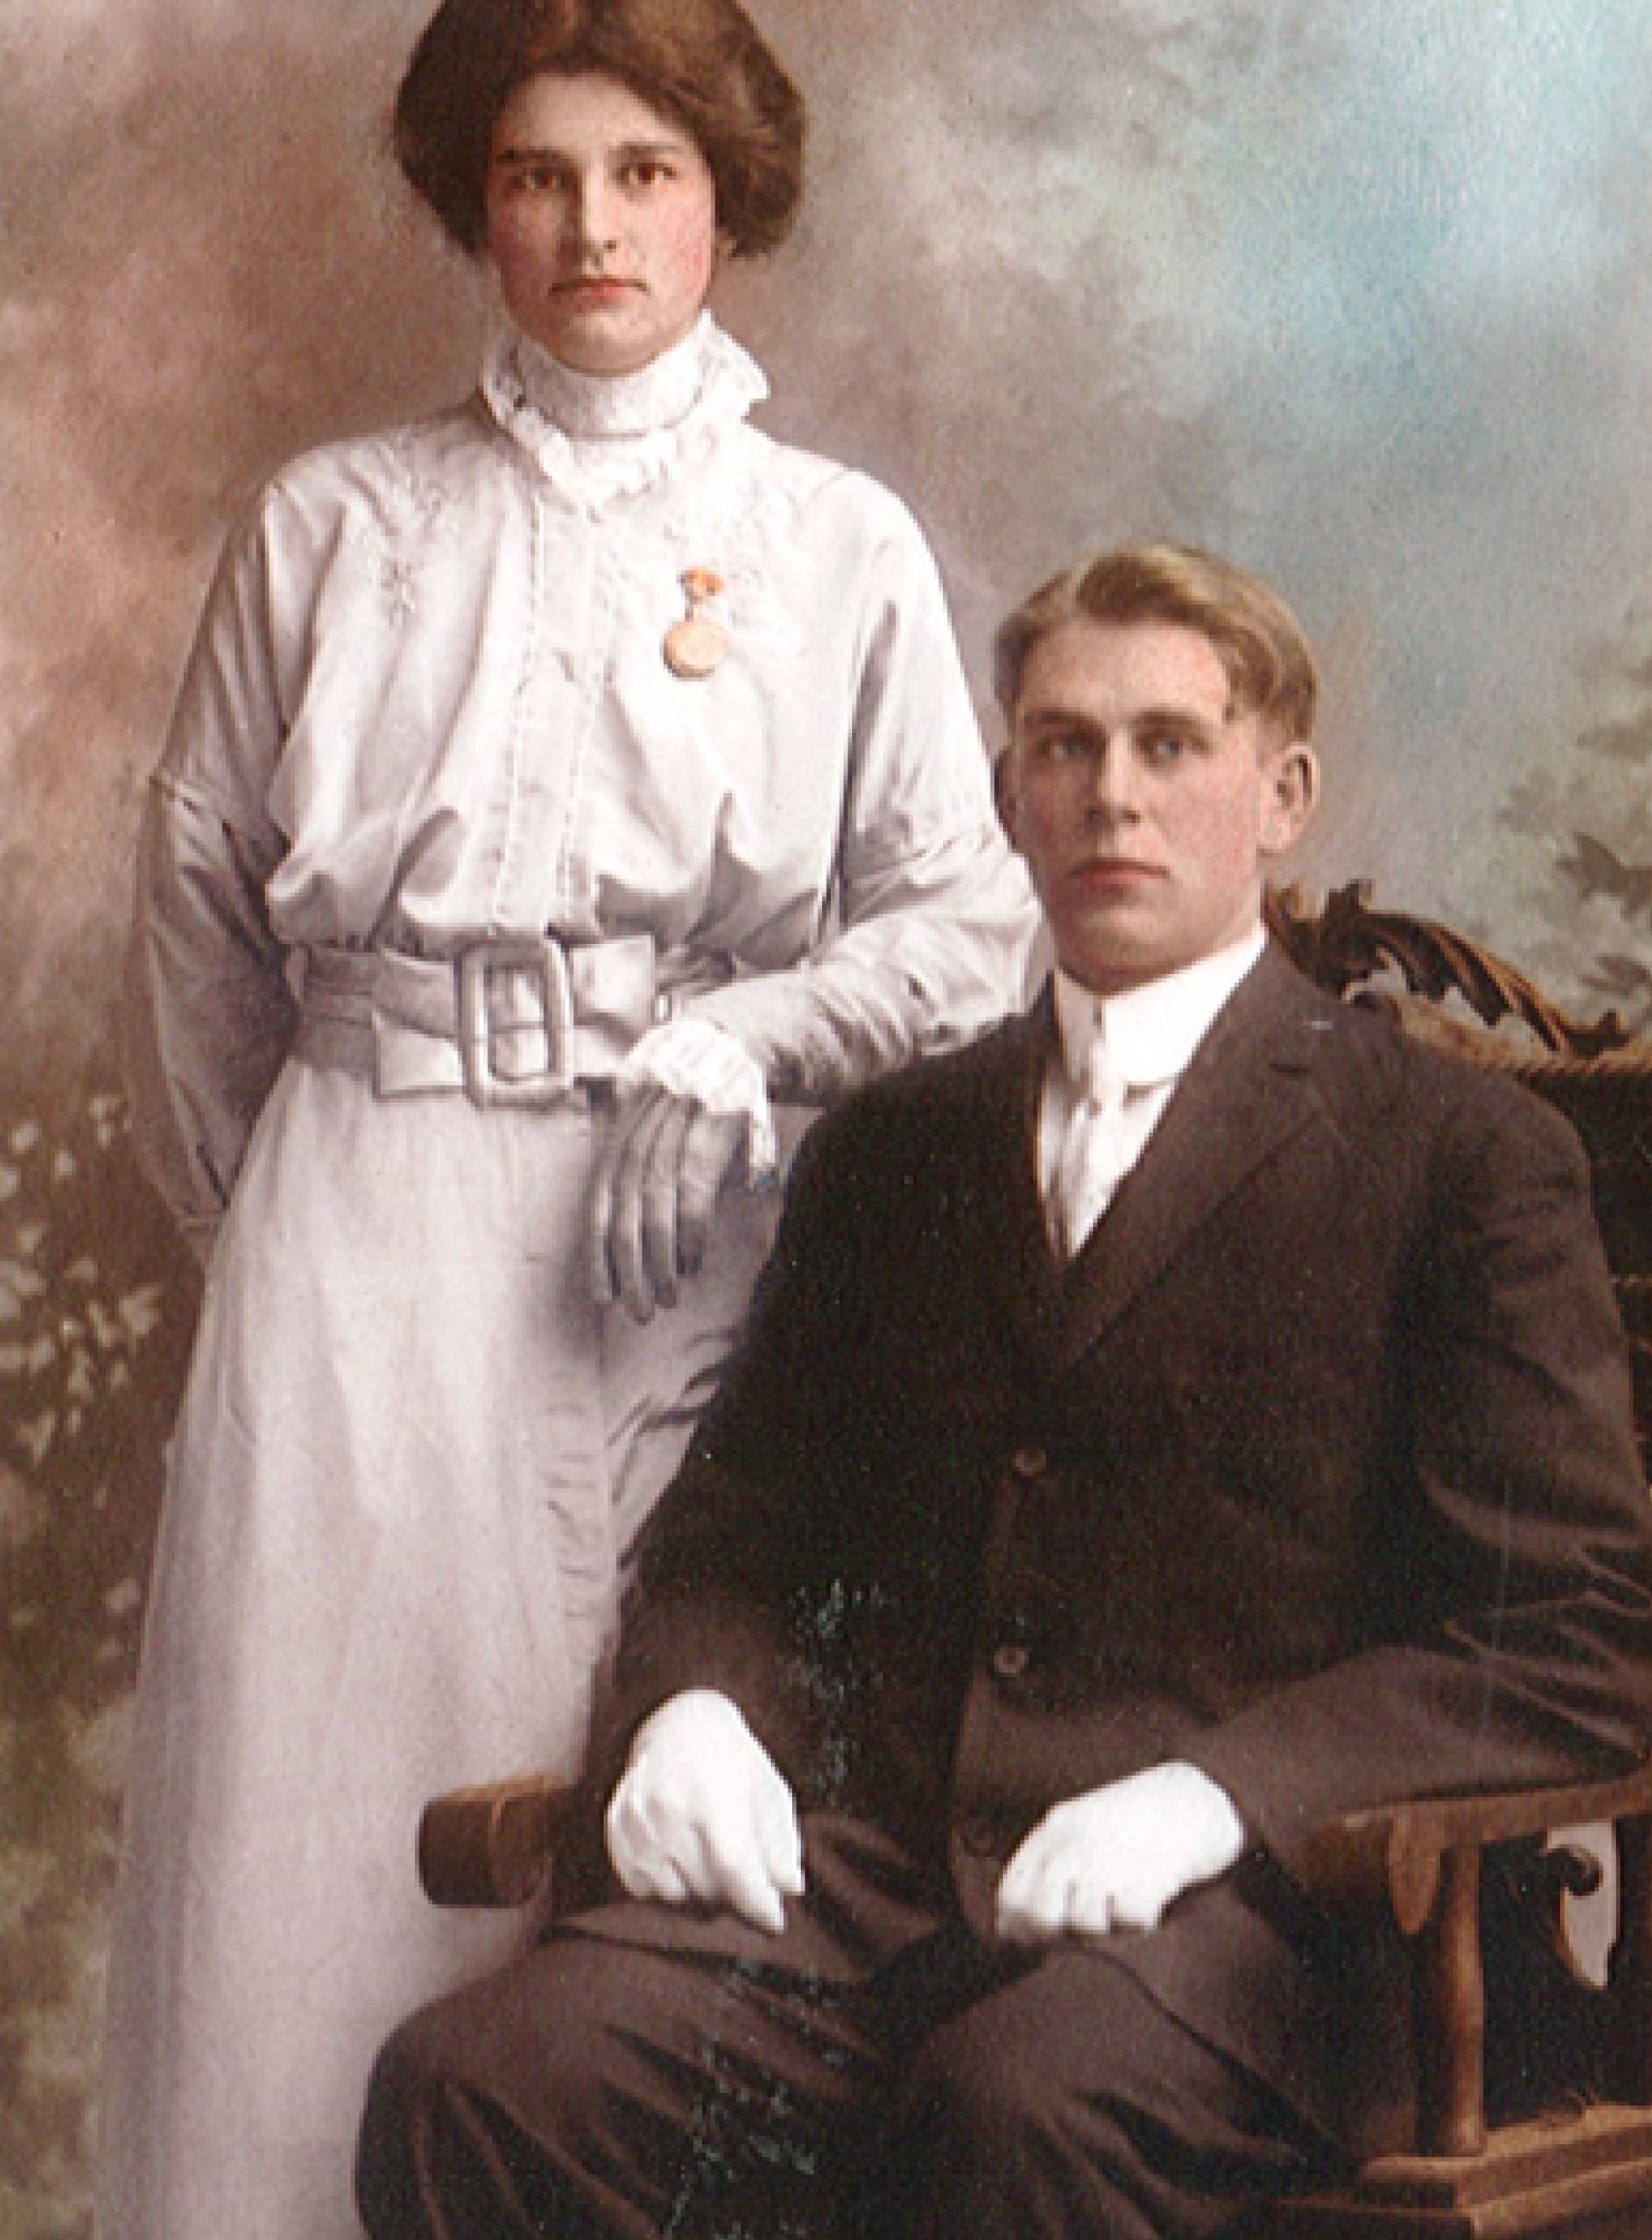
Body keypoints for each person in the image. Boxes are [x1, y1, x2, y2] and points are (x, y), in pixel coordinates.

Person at [356, 543, 1652, 2240]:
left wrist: (1221, 1796)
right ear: (1009, 796)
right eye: (1064, 747)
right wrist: (694, 1711)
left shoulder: (1459, 1159)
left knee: (1014, 2112)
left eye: (1170, 746)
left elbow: (1578, 1629)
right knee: (480, 2079)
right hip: (870, 1902)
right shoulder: (898, 1147)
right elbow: (734, 1544)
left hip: (1271, 1943)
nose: (1112, 794)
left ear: (1285, 795)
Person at [99, 2, 1035, 2234]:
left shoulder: (833, 545)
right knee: (309, 1857)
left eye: (642, 171)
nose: (589, 224)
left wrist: (755, 1040)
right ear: (473, 204)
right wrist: (319, 1222)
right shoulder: (336, 522)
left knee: (654, 1815)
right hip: (363, 1234)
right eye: (535, 174)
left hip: (694, 1235)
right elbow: (196, 936)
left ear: (725, 201)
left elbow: (971, 924)